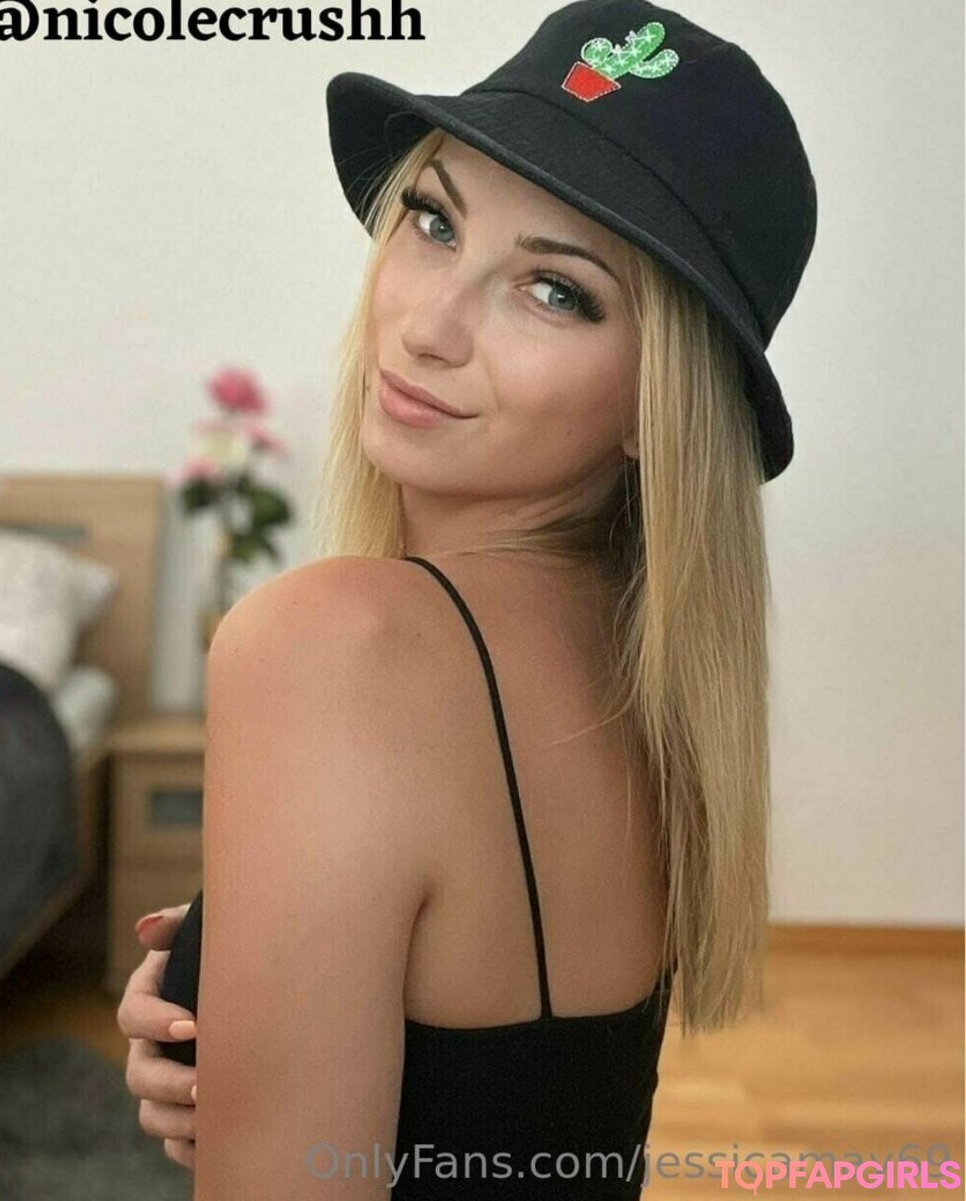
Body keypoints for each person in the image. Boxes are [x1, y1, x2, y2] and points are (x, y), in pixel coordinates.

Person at [117, 0, 818, 1195]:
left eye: (556, 292)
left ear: (662, 404)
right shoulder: (643, 675)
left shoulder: (336, 646)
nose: (429, 325)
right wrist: (236, 981)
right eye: (435, 221)